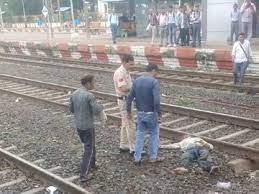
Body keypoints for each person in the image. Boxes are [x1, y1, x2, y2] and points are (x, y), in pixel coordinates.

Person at [127, 64, 164, 165]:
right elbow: (156, 100)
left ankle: (137, 157)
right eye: (156, 72)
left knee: (140, 135)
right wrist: (159, 113)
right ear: (153, 70)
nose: (156, 75)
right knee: (154, 134)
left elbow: (129, 98)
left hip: (140, 112)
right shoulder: (154, 82)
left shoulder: (137, 81)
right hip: (151, 113)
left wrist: (128, 112)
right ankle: (153, 157)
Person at [69, 75, 104, 182]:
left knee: (90, 145)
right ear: (88, 83)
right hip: (88, 126)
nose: (94, 84)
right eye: (93, 82)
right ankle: (84, 174)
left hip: (79, 125)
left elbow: (71, 109)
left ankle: (92, 164)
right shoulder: (89, 96)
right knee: (88, 149)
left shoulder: (74, 94)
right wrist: (101, 107)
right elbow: (96, 110)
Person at [113, 55, 135, 155]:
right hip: (124, 100)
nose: (132, 66)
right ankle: (133, 148)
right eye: (130, 64)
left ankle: (124, 144)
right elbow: (123, 88)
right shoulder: (120, 73)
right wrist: (134, 87)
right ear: (124, 62)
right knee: (130, 124)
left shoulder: (125, 71)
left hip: (126, 100)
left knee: (125, 123)